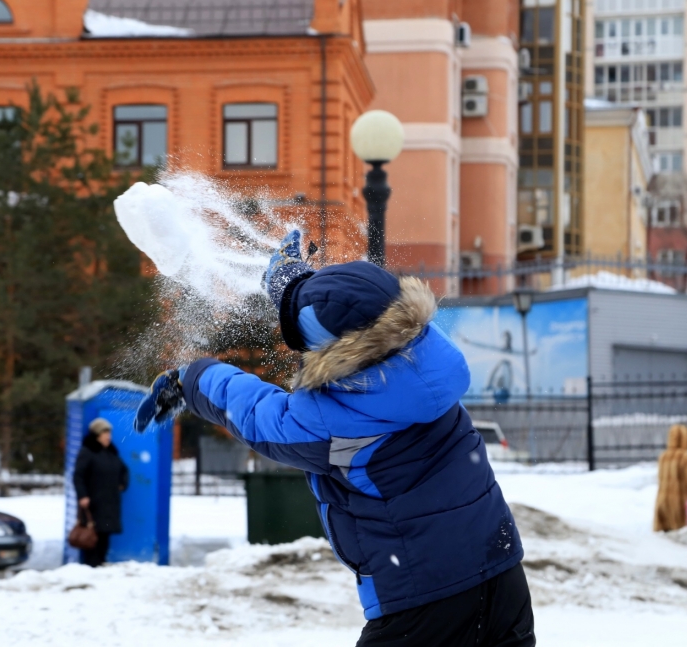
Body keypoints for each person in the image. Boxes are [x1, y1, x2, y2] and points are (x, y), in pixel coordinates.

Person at [135, 230, 534, 647]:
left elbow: (257, 416)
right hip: (503, 577)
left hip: (421, 597)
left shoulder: (329, 419)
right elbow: (355, 310)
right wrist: (292, 284)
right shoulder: (430, 358)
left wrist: (190, 381)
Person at [72, 418, 129, 567]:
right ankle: (92, 564)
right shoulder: (87, 451)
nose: (108, 436)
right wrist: (82, 495)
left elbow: (124, 470)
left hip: (109, 500)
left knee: (105, 532)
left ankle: (101, 561)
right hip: (94, 500)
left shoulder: (111, 452)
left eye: (109, 433)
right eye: (105, 433)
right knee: (93, 533)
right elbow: (78, 475)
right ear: (97, 434)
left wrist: (122, 483)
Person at [654, 424, 687, 532]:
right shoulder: (685, 458)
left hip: (662, 502)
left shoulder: (663, 457)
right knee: (680, 535)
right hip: (681, 505)